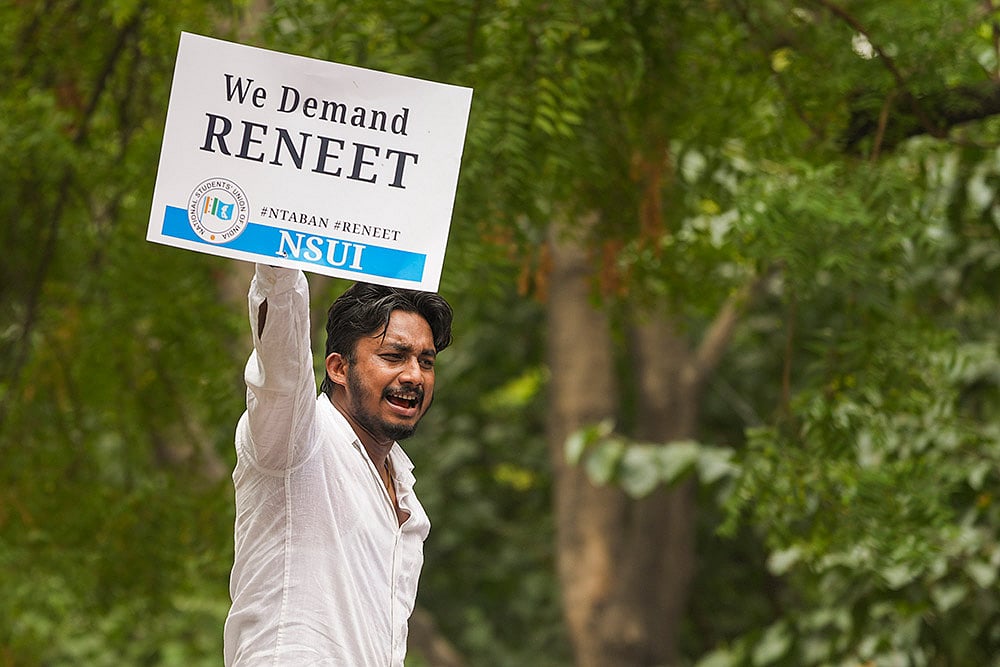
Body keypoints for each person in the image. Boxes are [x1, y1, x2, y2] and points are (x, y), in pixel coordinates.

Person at [223, 264, 453, 666]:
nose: (414, 375)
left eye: (426, 361)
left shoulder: (408, 503)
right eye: (393, 356)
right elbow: (279, 372)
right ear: (339, 368)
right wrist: (279, 265)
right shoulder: (295, 442)